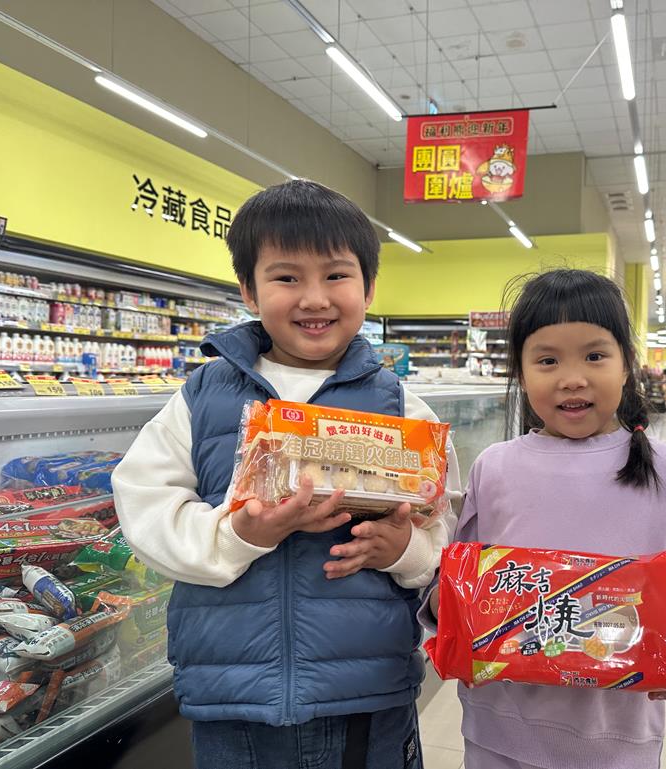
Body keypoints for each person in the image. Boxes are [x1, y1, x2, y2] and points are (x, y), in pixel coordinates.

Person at [113, 180, 460, 769]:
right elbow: (145, 504)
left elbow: (441, 529)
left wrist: (406, 550)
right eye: (287, 278)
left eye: (336, 275)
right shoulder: (202, 398)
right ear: (249, 290)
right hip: (232, 695)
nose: (314, 298)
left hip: (366, 690)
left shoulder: (402, 409)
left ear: (369, 287)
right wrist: (238, 535)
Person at [422, 269, 666, 769]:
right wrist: (444, 605)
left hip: (616, 736)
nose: (572, 378)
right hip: (497, 727)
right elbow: (462, 577)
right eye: (547, 360)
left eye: (595, 356)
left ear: (626, 365)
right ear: (521, 372)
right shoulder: (495, 467)